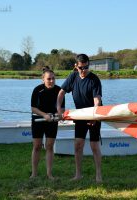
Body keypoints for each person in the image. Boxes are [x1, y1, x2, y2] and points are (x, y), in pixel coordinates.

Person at [57, 54, 103, 183]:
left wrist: (94, 116)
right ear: (76, 66)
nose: (83, 70)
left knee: (94, 145)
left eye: (86, 67)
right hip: (80, 115)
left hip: (95, 113)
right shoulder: (73, 77)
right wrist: (59, 108)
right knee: (78, 145)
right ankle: (78, 175)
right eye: (81, 68)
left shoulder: (94, 79)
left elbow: (97, 100)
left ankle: (98, 175)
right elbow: (61, 92)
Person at [30, 67, 65, 180]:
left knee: (49, 146)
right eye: (49, 79)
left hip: (52, 121)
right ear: (43, 79)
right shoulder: (37, 90)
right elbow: (33, 108)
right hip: (38, 120)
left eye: (53, 79)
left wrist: (60, 115)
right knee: (37, 146)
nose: (51, 81)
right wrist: (44, 115)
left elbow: (62, 108)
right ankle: (34, 173)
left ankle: (49, 174)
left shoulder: (59, 91)